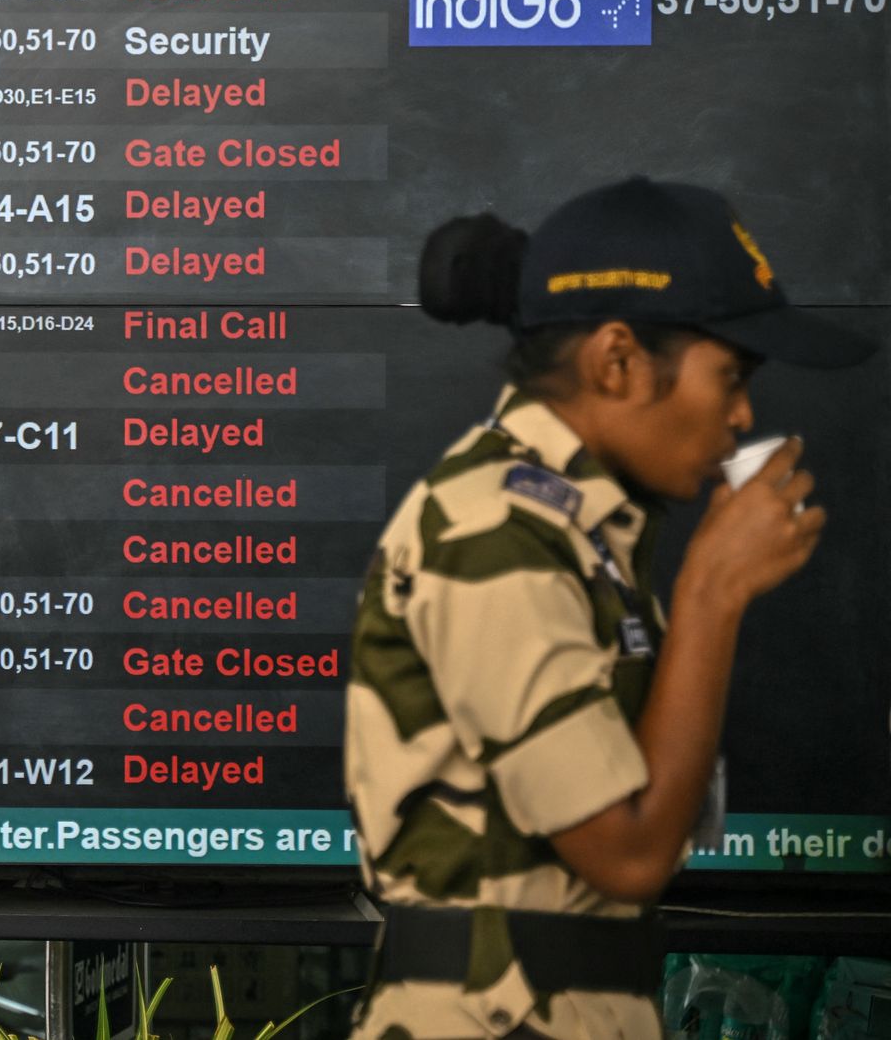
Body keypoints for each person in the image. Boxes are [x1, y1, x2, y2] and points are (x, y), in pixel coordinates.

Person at [344, 177, 876, 1040]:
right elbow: (626, 853)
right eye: (730, 375)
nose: (743, 415)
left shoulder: (577, 531)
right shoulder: (494, 533)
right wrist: (713, 592)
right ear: (619, 360)